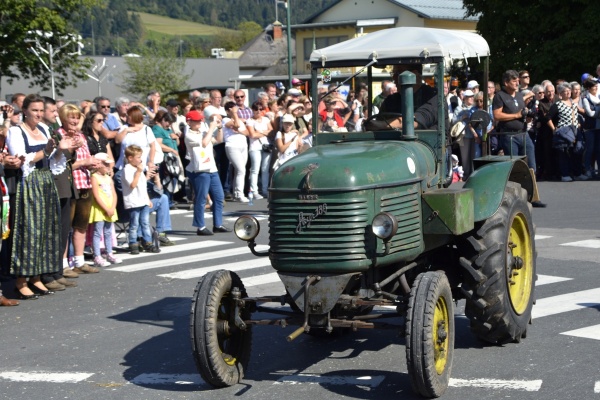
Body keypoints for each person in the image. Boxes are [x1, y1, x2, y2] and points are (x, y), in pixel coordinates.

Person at [6, 94, 64, 298]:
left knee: (46, 230)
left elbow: (53, 159)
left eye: (41, 110)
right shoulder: (15, 131)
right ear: (25, 111)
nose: (39, 114)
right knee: (29, 231)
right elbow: (21, 160)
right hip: (29, 184)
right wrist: (45, 151)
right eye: (34, 110)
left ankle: (36, 277)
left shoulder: (44, 129)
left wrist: (60, 150)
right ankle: (21, 281)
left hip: (46, 180)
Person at [57, 104, 102, 274]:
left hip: (85, 183)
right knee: (66, 226)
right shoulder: (60, 136)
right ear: (63, 119)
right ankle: (63, 264)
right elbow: (62, 165)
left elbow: (85, 159)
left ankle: (79, 260)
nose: (75, 121)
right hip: (69, 185)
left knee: (81, 225)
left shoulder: (81, 136)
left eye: (77, 117)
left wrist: (93, 164)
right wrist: (84, 163)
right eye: (71, 118)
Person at [493, 70, 546, 207]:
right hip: (509, 135)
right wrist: (516, 115)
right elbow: (497, 115)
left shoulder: (518, 96)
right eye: (514, 80)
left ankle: (533, 197)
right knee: (514, 167)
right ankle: (515, 198)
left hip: (523, 133)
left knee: (531, 165)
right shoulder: (500, 96)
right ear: (506, 82)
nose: (517, 83)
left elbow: (521, 113)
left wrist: (526, 117)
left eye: (518, 80)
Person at [184, 109, 231, 236]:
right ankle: (200, 226)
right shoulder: (189, 135)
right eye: (196, 120)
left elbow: (218, 140)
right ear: (189, 122)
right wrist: (211, 128)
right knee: (201, 199)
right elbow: (204, 143)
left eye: (200, 119)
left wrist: (220, 128)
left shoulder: (203, 130)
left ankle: (218, 224)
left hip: (211, 168)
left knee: (219, 197)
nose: (200, 122)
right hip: (198, 170)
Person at [547, 82, 587, 182]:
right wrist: (553, 129)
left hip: (575, 131)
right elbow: (548, 118)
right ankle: (565, 174)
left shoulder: (573, 104)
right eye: (565, 91)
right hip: (563, 132)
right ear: (560, 93)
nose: (568, 93)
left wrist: (578, 123)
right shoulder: (557, 105)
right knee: (563, 153)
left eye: (569, 91)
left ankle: (577, 173)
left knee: (577, 152)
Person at [122, 145, 158, 254]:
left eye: (140, 157)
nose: (140, 159)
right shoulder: (127, 169)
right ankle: (133, 243)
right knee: (134, 224)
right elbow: (132, 185)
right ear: (130, 158)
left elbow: (142, 186)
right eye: (138, 157)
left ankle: (147, 242)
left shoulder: (139, 169)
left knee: (145, 222)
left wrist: (148, 199)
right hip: (133, 202)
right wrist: (138, 172)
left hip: (143, 201)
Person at [89, 153, 121, 267]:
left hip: (110, 208)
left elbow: (114, 193)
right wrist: (105, 208)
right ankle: (97, 255)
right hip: (100, 209)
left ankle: (109, 253)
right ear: (98, 165)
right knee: (97, 232)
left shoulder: (108, 178)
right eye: (106, 164)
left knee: (108, 232)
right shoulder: (94, 177)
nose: (109, 167)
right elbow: (96, 195)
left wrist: (112, 207)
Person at [222, 102, 250, 202]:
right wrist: (234, 114)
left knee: (240, 171)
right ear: (228, 110)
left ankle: (236, 193)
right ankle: (239, 194)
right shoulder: (225, 119)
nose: (236, 110)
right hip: (232, 146)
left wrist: (239, 131)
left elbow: (247, 132)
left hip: (243, 146)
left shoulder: (239, 120)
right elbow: (236, 125)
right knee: (241, 169)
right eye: (233, 109)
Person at [246, 101, 273, 198]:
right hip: (255, 147)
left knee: (265, 169)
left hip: (266, 145)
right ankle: (254, 191)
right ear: (252, 110)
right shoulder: (250, 121)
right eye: (256, 109)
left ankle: (265, 190)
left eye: (261, 109)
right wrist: (265, 132)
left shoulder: (266, 119)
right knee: (255, 169)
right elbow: (252, 134)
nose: (258, 111)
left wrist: (260, 132)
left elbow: (271, 132)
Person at [581, 77, 600, 178]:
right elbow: (589, 113)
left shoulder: (599, 97)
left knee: (599, 149)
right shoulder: (585, 98)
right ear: (589, 88)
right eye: (594, 86)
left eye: (596, 86)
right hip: (590, 128)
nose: (596, 87)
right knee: (590, 149)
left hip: (598, 127)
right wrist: (598, 113)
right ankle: (587, 169)